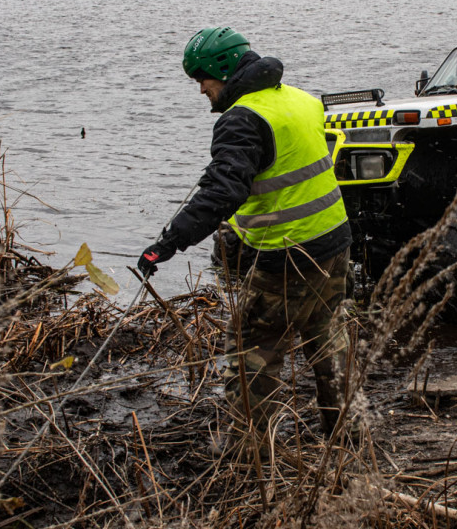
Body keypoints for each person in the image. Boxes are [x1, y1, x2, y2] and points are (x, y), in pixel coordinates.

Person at [137, 27, 352, 458]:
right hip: (334, 242)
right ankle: (347, 431)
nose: (201, 90)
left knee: (254, 354)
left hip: (286, 255)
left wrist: (167, 244)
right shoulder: (301, 99)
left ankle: (249, 453)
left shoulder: (241, 119)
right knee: (328, 337)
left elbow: (223, 192)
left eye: (203, 79)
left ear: (222, 69)